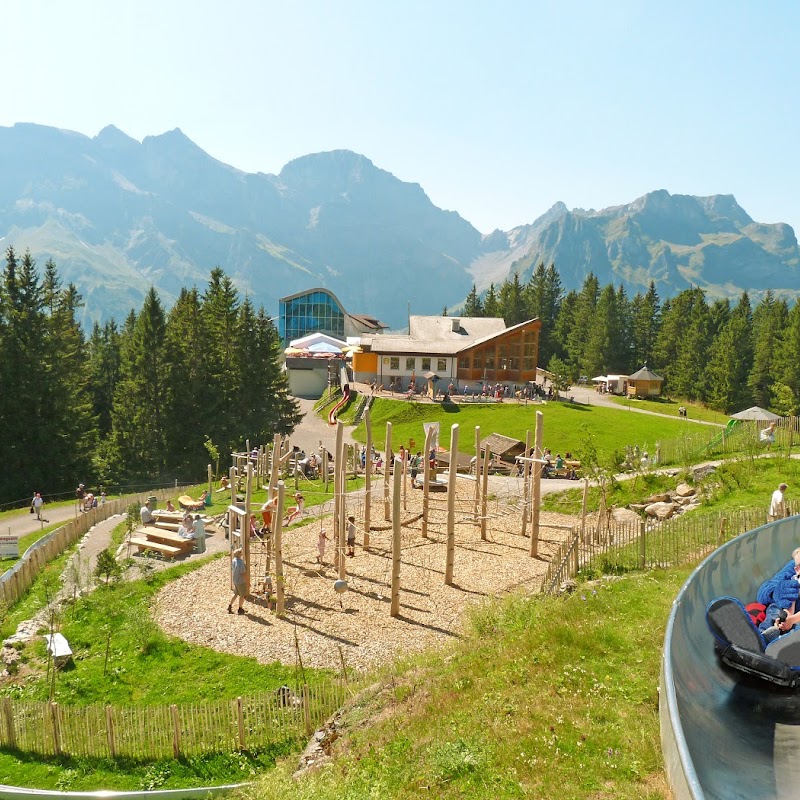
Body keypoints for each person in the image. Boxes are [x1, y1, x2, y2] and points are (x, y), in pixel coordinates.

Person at [757, 548, 800, 643]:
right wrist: (774, 592)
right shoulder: (794, 575)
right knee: (775, 608)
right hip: (788, 615)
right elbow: (763, 592)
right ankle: (763, 636)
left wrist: (792, 620)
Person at [227, 548, 247, 615]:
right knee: (242, 595)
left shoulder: (234, 560)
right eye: (241, 552)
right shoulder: (240, 563)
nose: (242, 553)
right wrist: (247, 581)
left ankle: (230, 605)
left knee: (235, 594)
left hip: (235, 580)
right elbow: (243, 573)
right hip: (241, 581)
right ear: (239, 554)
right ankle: (240, 608)